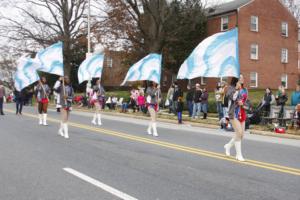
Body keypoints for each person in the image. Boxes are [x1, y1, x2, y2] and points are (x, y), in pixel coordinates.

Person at [224, 77, 247, 162]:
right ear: (236, 80)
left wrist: (243, 103)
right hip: (234, 113)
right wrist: (237, 89)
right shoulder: (231, 88)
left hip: (242, 112)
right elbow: (231, 98)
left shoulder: (245, 89)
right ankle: (239, 155)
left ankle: (228, 146)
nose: (242, 79)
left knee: (241, 135)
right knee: (239, 132)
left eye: (242, 78)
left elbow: (246, 101)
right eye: (240, 78)